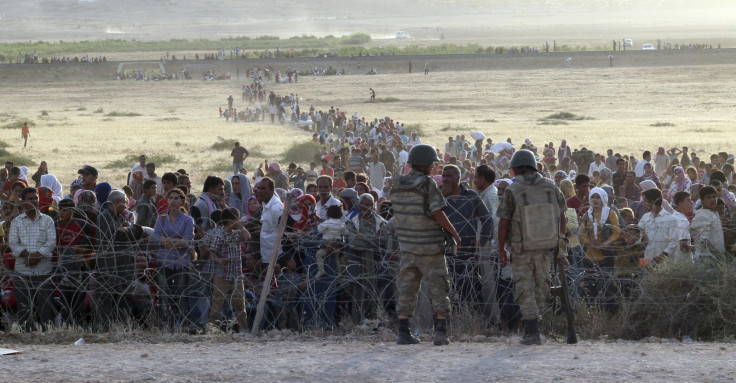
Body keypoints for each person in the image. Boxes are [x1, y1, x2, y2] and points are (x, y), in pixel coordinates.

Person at [390, 144, 461, 346]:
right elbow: (438, 212)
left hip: (407, 246)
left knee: (407, 288)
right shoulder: (427, 183)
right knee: (439, 287)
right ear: (428, 165)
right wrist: (454, 233)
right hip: (430, 247)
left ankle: (403, 332)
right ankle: (440, 333)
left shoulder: (397, 183)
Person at [497, 149, 567, 345]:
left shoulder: (513, 190)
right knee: (541, 287)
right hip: (546, 247)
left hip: (522, 249)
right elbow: (562, 214)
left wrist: (501, 248)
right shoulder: (551, 186)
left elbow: (504, 221)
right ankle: (534, 326)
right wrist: (559, 240)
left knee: (524, 288)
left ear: (517, 169)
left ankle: (532, 329)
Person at [8, 187, 57, 331]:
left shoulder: (47, 220)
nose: (34, 201)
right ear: (23, 202)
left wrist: (37, 256)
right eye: (30, 199)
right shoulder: (17, 222)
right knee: (24, 306)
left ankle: (47, 334)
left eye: (35, 198)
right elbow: (13, 243)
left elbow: (51, 241)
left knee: (46, 305)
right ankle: (26, 334)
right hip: (23, 270)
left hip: (44, 270)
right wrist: (27, 256)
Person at [153, 188, 195, 330]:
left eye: (176, 198)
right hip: (164, 261)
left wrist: (168, 242)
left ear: (182, 201)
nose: (173, 201)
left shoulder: (188, 220)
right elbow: (156, 238)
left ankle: (182, 325)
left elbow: (188, 240)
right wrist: (176, 242)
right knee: (164, 294)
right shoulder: (162, 218)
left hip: (181, 261)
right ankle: (166, 325)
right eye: (170, 198)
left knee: (181, 294)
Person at [207, 207, 251, 332]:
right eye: (237, 219)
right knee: (217, 304)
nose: (240, 221)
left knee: (240, 305)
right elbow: (212, 254)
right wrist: (220, 260)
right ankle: (212, 329)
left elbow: (248, 238)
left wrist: (241, 227)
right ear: (230, 221)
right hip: (223, 275)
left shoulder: (237, 233)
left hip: (237, 274)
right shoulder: (220, 235)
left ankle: (244, 329)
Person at [691, 186, 725, 260]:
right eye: (708, 197)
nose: (712, 200)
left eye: (714, 197)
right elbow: (703, 240)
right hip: (706, 258)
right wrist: (718, 255)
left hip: (714, 257)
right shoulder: (702, 215)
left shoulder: (713, 213)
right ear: (702, 200)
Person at [256, 177, 283, 266]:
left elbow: (282, 232)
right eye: (259, 188)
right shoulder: (265, 204)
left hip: (276, 258)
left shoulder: (276, 208)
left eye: (263, 188)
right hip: (266, 255)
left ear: (272, 190)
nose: (259, 191)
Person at [315, 205, 345, 279]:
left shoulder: (326, 223)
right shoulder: (341, 223)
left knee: (318, 255)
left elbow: (319, 230)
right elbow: (345, 233)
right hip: (336, 245)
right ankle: (338, 272)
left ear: (327, 214)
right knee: (336, 258)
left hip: (326, 244)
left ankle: (321, 270)